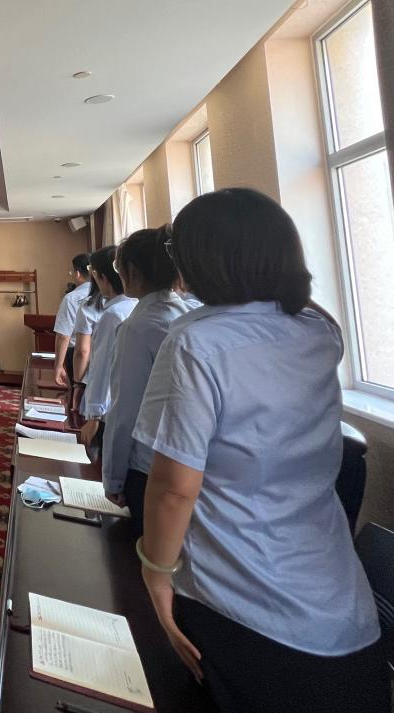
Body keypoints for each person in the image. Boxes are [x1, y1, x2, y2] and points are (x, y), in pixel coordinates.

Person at [133, 189, 388, 712]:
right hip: (344, 612)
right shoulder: (321, 332)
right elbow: (304, 305)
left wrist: (156, 571)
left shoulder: (196, 343)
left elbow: (175, 488)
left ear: (202, 259)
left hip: (243, 604)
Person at [100, 228, 197, 531]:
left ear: (133, 270)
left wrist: (113, 478)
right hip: (185, 464)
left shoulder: (137, 328)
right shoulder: (185, 313)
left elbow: (125, 410)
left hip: (147, 467)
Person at [78, 245, 136, 448]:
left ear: (100, 277)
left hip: (107, 409)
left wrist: (93, 416)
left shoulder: (113, 315)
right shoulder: (136, 306)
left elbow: (102, 367)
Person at [51, 253, 91, 386]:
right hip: (99, 352)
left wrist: (58, 365)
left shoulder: (72, 298)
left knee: (77, 390)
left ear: (77, 273)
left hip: (75, 352)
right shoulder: (104, 295)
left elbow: (64, 336)